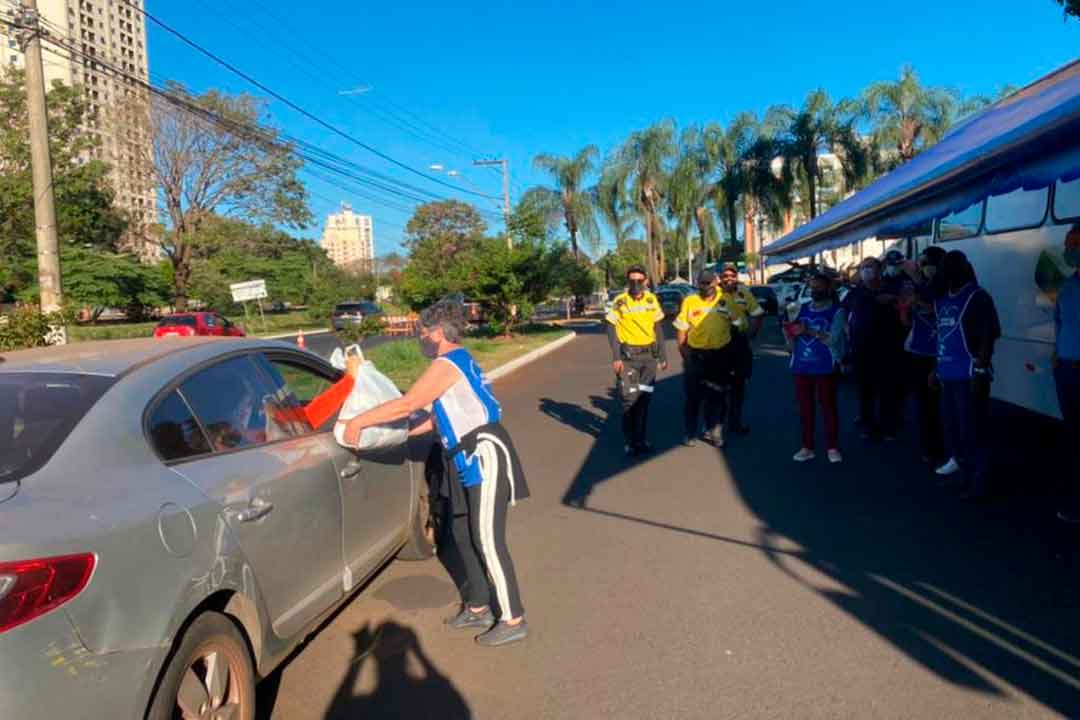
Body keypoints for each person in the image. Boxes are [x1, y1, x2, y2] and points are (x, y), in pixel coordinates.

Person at [342, 298, 530, 646]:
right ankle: (477, 607)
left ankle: (513, 617)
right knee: (460, 534)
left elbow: (408, 403)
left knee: (487, 540)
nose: (419, 337)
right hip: (459, 459)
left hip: (483, 455)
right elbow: (430, 418)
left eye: (422, 332)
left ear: (439, 333)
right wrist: (387, 434)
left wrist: (359, 421)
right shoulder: (453, 363)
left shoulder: (449, 362)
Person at [933, 250, 1001, 501]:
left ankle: (981, 482)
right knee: (952, 428)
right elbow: (942, 336)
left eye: (951, 268)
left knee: (972, 429)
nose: (946, 273)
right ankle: (964, 475)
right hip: (947, 373)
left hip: (969, 375)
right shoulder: (943, 299)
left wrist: (981, 370)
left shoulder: (977, 297)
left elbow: (987, 336)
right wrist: (934, 369)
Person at [606, 265, 668, 456]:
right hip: (628, 359)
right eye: (631, 280)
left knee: (644, 401)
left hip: (648, 359)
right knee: (629, 400)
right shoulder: (620, 301)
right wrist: (616, 357)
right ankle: (629, 442)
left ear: (646, 281)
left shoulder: (651, 300)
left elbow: (657, 329)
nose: (635, 284)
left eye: (639, 280)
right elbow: (611, 328)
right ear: (627, 281)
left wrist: (662, 355)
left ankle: (640, 440)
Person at [786, 272, 847, 463]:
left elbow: (834, 340)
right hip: (801, 366)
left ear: (828, 288)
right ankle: (807, 447)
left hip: (825, 367)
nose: (814, 291)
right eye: (812, 287)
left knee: (828, 407)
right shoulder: (801, 309)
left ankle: (832, 447)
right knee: (805, 408)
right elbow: (790, 344)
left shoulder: (837, 312)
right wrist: (789, 333)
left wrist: (809, 330)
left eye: (818, 287)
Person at [843, 256, 905, 441]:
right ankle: (868, 425)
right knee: (865, 390)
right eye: (863, 267)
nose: (866, 270)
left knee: (888, 390)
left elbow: (904, 308)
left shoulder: (891, 289)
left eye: (870, 267)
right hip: (862, 350)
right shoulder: (855, 292)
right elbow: (843, 312)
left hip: (888, 349)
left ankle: (888, 426)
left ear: (879, 270)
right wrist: (847, 330)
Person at [675, 269, 734, 448]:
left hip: (720, 355)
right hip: (696, 355)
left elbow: (738, 323)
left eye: (709, 282)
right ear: (698, 283)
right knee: (693, 397)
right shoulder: (690, 301)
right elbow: (681, 328)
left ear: (716, 282)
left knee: (717, 395)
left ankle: (714, 431)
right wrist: (685, 352)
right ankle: (690, 432)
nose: (706, 285)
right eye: (703, 282)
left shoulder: (726, 300)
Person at [901, 247, 948, 467]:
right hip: (917, 351)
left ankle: (943, 450)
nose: (921, 267)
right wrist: (907, 308)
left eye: (926, 263)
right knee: (924, 404)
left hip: (936, 354)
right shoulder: (922, 287)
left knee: (939, 405)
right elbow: (910, 320)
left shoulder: (944, 288)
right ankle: (929, 447)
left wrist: (918, 281)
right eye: (919, 263)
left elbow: (935, 307)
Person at [1054, 224, 1080, 523]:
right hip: (1068, 372)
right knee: (1074, 439)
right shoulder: (1068, 286)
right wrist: (1057, 356)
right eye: (1068, 244)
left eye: (1075, 244)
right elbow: (1060, 322)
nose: (1069, 251)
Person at [720, 263, 765, 435]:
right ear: (720, 277)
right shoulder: (715, 294)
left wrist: (751, 333)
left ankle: (735, 422)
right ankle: (717, 424)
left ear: (736, 277)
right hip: (719, 344)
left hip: (739, 343)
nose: (729, 278)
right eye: (725, 276)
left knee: (738, 386)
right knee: (719, 386)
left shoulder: (744, 293)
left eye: (732, 275)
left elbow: (758, 313)